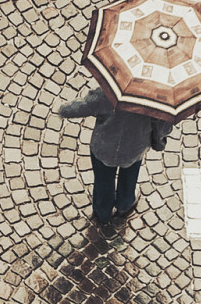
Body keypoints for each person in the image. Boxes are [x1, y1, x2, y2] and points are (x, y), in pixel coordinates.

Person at [58, 87, 174, 225]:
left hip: (104, 147)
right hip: (134, 149)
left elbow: (84, 105)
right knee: (130, 175)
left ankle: (103, 212)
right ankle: (125, 204)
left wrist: (63, 110)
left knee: (103, 180)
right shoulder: (158, 99)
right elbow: (163, 127)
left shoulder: (109, 92)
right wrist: (159, 143)